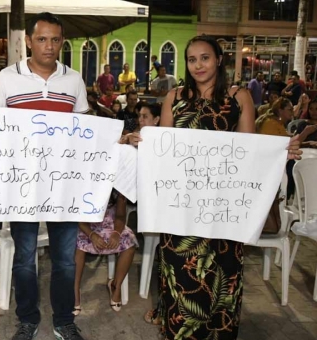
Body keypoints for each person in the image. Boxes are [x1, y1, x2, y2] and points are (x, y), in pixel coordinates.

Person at [133, 35, 301, 340]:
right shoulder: (174, 97)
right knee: (181, 283)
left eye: (205, 58)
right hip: (180, 210)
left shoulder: (239, 98)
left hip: (223, 212)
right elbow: (164, 150)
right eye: (192, 59)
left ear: (219, 60)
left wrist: (278, 152)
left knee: (221, 281)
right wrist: (138, 141)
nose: (198, 65)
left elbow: (249, 151)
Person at [0, 12, 88, 340]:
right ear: (28, 42)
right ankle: (27, 318)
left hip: (62, 185)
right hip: (21, 185)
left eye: (55, 40)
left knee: (65, 260)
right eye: (41, 39)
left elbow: (86, 131)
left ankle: (64, 320)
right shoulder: (7, 79)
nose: (48, 46)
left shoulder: (74, 80)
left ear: (62, 42)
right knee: (24, 259)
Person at [73, 189, 137, 316]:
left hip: (111, 224)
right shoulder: (84, 181)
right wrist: (92, 235)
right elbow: (77, 217)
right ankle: (74, 289)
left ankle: (116, 285)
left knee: (129, 241)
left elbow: (120, 216)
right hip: (86, 226)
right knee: (77, 244)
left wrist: (116, 233)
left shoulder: (119, 188)